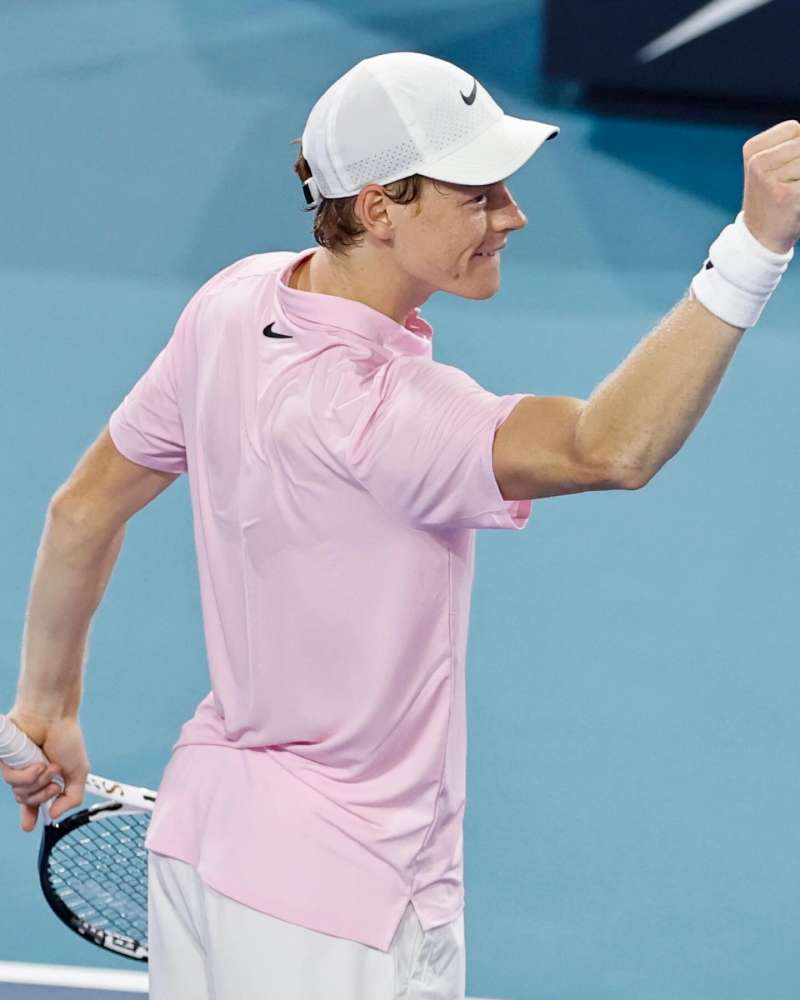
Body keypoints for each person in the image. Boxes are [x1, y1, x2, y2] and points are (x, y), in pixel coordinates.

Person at [2, 50, 798, 1000]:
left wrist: (47, 705)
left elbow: (83, 507)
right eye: (477, 195)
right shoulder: (386, 416)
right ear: (379, 208)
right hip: (345, 907)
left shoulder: (235, 302)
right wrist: (754, 248)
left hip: (205, 849)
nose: (513, 216)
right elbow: (608, 447)